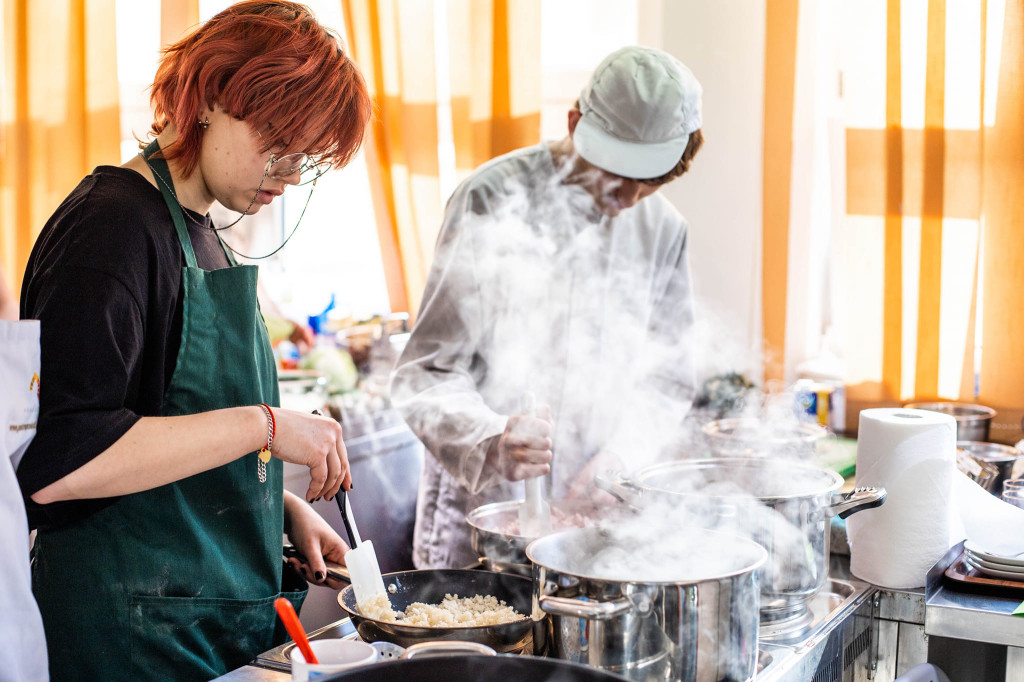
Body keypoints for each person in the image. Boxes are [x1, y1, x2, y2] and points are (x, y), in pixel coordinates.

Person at [17, 2, 371, 679]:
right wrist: (266, 426)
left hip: (199, 627)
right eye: (280, 142)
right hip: (128, 640)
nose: (292, 174)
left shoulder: (204, 232)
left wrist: (276, 507)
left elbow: (162, 429)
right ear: (209, 98)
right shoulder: (112, 230)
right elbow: (62, 465)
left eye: (307, 157)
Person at [391, 46, 704, 569]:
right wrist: (492, 439)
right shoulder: (489, 198)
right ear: (575, 123)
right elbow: (426, 373)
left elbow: (666, 382)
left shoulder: (663, 229)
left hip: (592, 526)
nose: (628, 197)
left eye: (648, 181)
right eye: (615, 174)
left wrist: (621, 456)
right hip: (482, 525)